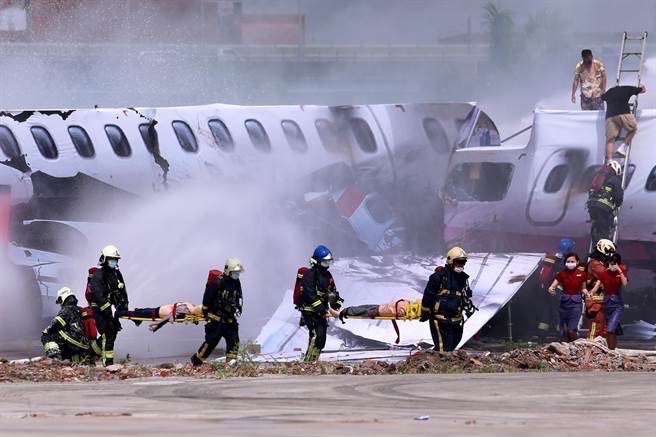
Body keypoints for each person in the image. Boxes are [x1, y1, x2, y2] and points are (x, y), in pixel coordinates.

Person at [191, 257, 244, 366]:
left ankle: (230, 364)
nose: (237, 275)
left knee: (234, 340)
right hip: (216, 319)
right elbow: (207, 299)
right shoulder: (217, 282)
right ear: (228, 270)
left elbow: (238, 296)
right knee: (211, 342)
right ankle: (196, 362)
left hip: (229, 319)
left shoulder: (236, 283)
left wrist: (236, 307)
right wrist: (206, 313)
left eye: (238, 273)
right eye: (235, 272)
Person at [420, 247, 473, 352]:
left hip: (456, 320)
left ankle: (442, 364)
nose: (461, 265)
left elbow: (465, 296)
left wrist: (467, 308)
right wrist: (425, 313)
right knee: (444, 349)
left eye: (463, 262)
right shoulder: (438, 277)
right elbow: (427, 296)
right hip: (440, 320)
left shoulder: (463, 278)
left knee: (452, 346)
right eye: (459, 262)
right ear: (451, 261)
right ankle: (440, 367)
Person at [299, 245, 343, 362]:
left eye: (328, 262)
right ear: (317, 261)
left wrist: (336, 305)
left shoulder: (328, 276)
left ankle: (313, 361)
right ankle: (308, 364)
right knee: (316, 335)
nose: (327, 265)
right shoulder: (309, 275)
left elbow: (333, 292)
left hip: (321, 312)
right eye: (324, 262)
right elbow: (310, 294)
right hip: (310, 311)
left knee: (321, 338)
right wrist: (321, 309)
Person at [88, 245, 129, 366]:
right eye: (112, 259)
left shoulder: (117, 274)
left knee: (113, 331)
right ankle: (108, 363)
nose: (114, 261)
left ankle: (91, 352)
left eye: (115, 259)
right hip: (100, 309)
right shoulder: (98, 275)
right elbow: (97, 294)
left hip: (111, 309)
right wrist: (107, 309)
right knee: (108, 333)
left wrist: (124, 306)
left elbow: (123, 290)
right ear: (105, 259)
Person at [41, 287, 93, 362]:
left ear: (63, 298)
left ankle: (55, 357)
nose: (60, 304)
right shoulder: (80, 309)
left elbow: (56, 324)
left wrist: (46, 330)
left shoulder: (66, 310)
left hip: (73, 341)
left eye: (60, 300)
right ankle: (75, 359)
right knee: (64, 339)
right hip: (84, 345)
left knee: (46, 335)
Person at [537, 238, 576, 336]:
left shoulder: (552, 257)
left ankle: (541, 334)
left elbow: (544, 274)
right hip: (558, 290)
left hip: (547, 288)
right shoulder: (567, 261)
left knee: (547, 310)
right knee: (559, 312)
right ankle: (561, 334)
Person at [547, 252, 587, 342]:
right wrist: (551, 289)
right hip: (564, 303)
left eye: (572, 261)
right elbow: (553, 286)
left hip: (576, 304)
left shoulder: (582, 274)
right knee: (564, 331)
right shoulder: (561, 274)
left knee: (571, 330)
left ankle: (577, 347)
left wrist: (587, 293)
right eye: (568, 261)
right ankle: (566, 351)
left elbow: (584, 288)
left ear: (577, 262)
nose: (570, 263)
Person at [601, 83, 647, 160]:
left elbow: (601, 96)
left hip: (610, 117)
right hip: (623, 113)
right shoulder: (625, 88)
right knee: (633, 129)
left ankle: (610, 161)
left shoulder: (608, 92)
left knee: (610, 140)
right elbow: (642, 91)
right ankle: (622, 148)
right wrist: (643, 87)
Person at [595, 252, 628, 350]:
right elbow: (597, 286)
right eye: (610, 263)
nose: (612, 265)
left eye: (614, 263)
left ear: (617, 263)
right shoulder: (604, 273)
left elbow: (625, 283)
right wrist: (590, 293)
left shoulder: (621, 272)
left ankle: (611, 350)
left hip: (617, 305)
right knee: (611, 330)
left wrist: (619, 270)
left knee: (610, 330)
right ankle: (612, 349)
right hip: (607, 304)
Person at [587, 161, 623, 246]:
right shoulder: (615, 179)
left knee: (596, 225)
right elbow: (618, 196)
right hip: (603, 208)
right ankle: (602, 249)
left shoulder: (598, 177)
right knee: (604, 229)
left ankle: (595, 244)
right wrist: (617, 204)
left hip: (592, 206)